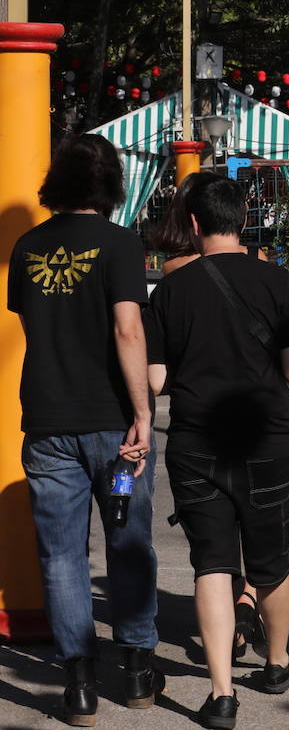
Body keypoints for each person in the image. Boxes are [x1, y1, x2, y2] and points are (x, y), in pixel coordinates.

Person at [145, 173, 289, 730]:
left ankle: (220, 695)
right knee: (270, 562)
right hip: (265, 437)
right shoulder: (279, 281)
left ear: (193, 224)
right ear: (244, 219)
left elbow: (157, 377)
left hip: (194, 441)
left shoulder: (170, 289)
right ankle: (276, 661)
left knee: (212, 563)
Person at [8, 134, 163, 727]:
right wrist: (143, 413)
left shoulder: (27, 247)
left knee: (61, 552)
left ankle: (78, 683)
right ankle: (139, 666)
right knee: (126, 537)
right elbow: (127, 331)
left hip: (48, 427)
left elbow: (35, 320)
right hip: (116, 437)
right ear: (113, 185)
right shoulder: (121, 244)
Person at [150, 175, 272, 661]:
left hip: (197, 423)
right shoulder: (263, 269)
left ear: (191, 218)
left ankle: (222, 676)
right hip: (260, 422)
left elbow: (157, 374)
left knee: (213, 550)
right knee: (263, 532)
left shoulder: (172, 277)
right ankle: (249, 605)